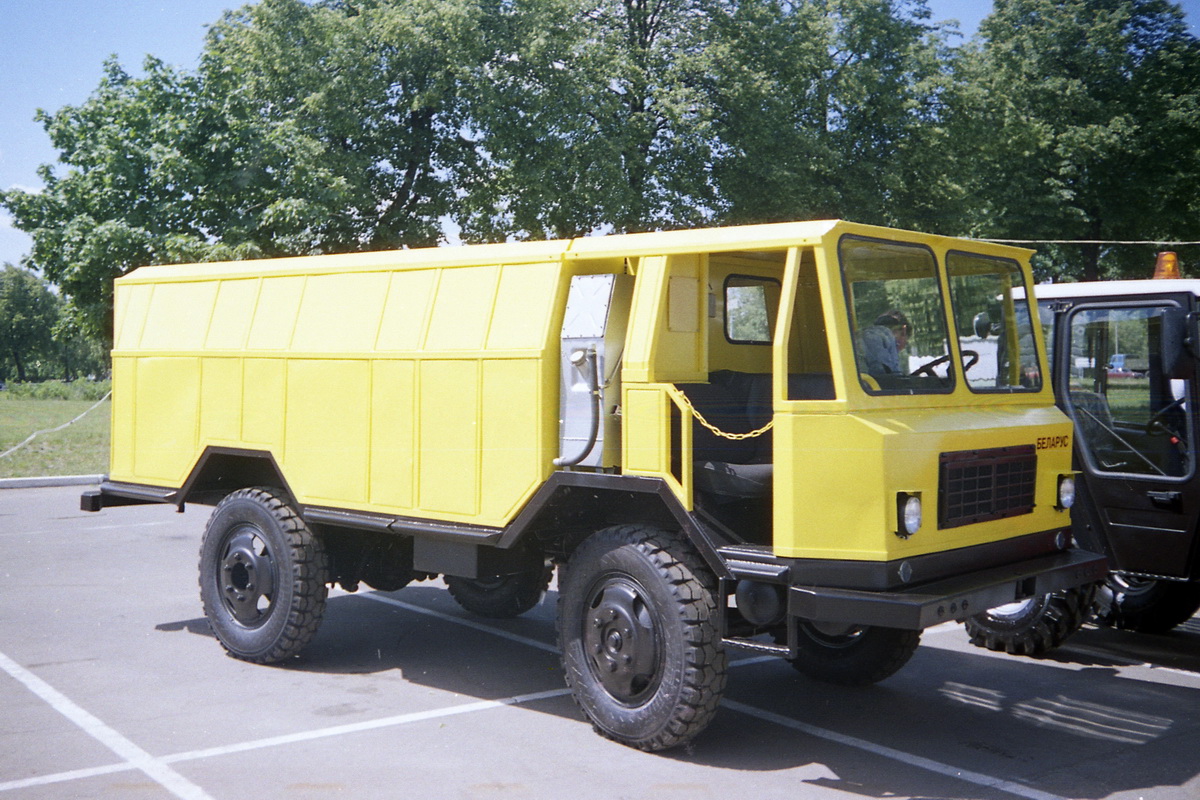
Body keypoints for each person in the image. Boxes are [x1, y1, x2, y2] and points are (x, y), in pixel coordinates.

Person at [856, 310, 911, 376]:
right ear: (903, 331)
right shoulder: (886, 341)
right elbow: (893, 379)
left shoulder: (859, 337)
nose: (900, 349)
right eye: (905, 343)